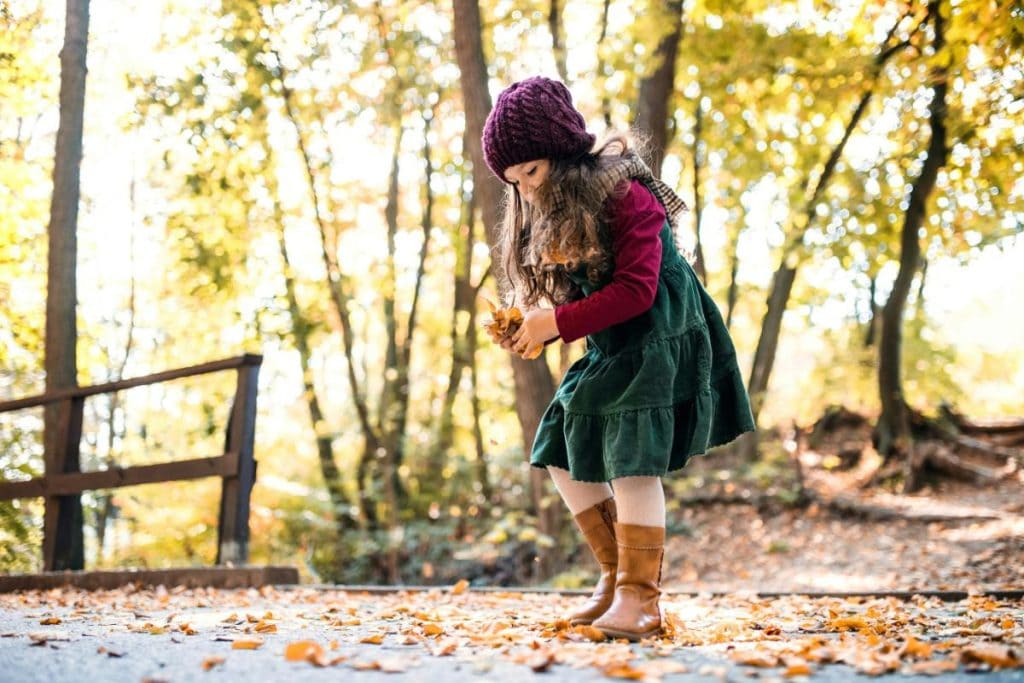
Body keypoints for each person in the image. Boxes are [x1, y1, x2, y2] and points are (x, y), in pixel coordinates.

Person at [481, 75, 755, 641]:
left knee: (632, 461)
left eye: (531, 172)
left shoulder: (623, 193)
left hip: (662, 336)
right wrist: (537, 327)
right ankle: (613, 576)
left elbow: (637, 291)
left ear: (562, 151)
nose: (526, 190)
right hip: (615, 343)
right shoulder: (553, 212)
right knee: (558, 442)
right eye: (513, 182)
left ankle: (641, 597)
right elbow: (579, 300)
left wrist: (555, 323)